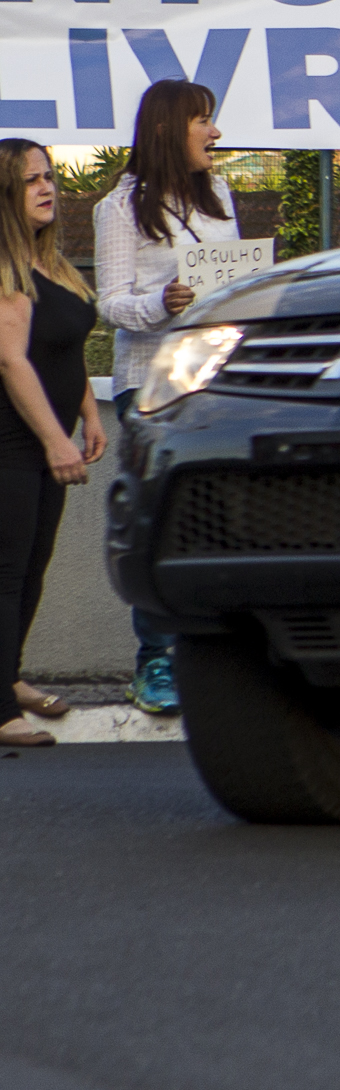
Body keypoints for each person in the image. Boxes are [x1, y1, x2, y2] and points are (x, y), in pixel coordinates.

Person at [95, 81, 238, 715]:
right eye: (204, 120)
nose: (215, 133)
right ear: (169, 128)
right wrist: (163, 303)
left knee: (219, 522)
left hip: (218, 382)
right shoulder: (120, 206)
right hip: (150, 383)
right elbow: (112, 303)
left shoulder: (220, 195)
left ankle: (219, 660)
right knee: (160, 522)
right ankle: (153, 663)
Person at [0, 140, 106, 747]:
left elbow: (63, 353)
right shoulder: (7, 270)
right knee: (6, 572)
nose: (46, 189)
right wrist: (53, 442)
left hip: (51, 439)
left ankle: (8, 677)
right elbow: (14, 363)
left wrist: (89, 415)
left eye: (49, 177)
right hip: (12, 443)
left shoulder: (51, 265)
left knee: (33, 568)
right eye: (30, 181)